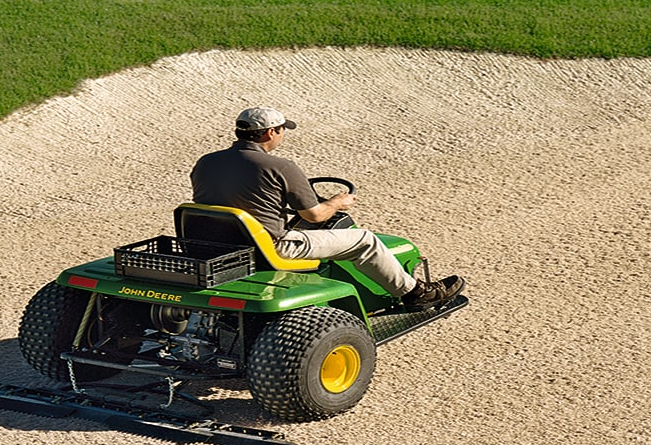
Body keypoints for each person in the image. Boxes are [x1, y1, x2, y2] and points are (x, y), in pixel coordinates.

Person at [190, 106, 465, 311]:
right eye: (283, 129)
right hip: (270, 248)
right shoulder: (280, 166)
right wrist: (337, 202)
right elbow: (314, 215)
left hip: (215, 247)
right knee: (365, 240)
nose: (283, 134)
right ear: (271, 132)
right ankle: (417, 293)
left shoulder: (205, 162)